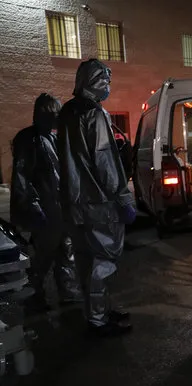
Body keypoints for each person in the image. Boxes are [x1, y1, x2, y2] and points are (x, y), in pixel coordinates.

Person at [57, 59, 136, 337]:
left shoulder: (67, 111)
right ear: (96, 82)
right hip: (98, 203)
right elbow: (105, 160)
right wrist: (123, 198)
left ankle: (98, 311)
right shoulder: (94, 113)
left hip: (74, 204)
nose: (108, 87)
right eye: (105, 81)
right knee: (103, 262)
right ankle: (98, 320)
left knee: (85, 261)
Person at [10, 93, 83, 313]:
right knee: (42, 257)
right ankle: (34, 295)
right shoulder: (28, 139)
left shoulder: (52, 138)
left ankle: (68, 291)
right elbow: (22, 177)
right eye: (53, 114)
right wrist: (32, 207)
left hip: (59, 208)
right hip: (44, 209)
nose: (56, 119)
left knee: (65, 250)